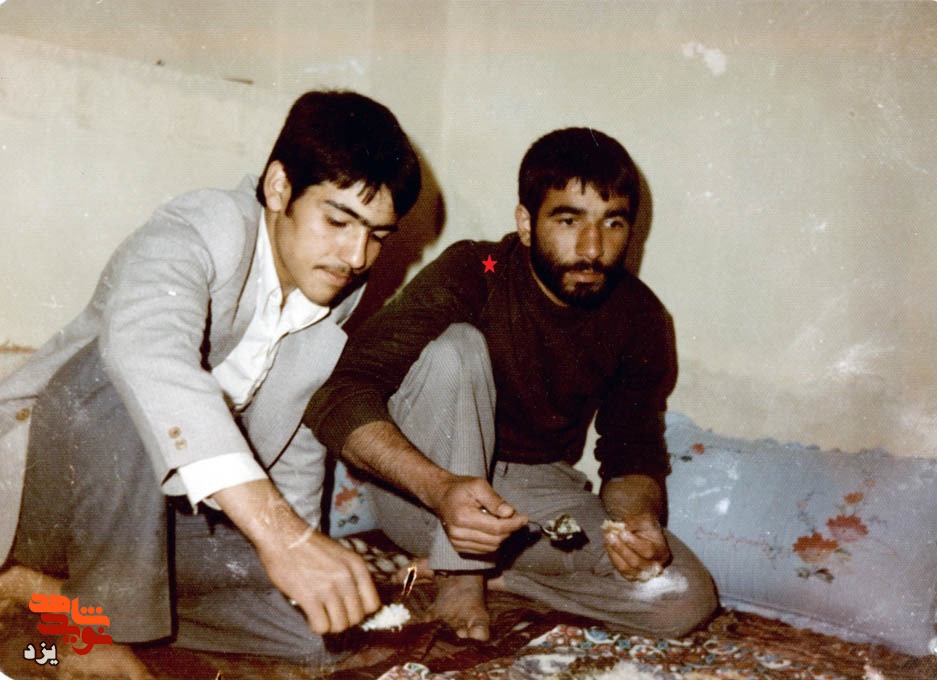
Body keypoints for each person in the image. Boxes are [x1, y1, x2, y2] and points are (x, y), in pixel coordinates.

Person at [0, 90, 421, 675]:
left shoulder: (331, 289)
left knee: (315, 636)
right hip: (46, 501)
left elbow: (295, 444)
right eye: (337, 220)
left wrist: (305, 551)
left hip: (151, 526)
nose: (356, 256)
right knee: (123, 378)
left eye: (378, 235)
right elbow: (148, 355)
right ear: (279, 188)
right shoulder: (202, 226)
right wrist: (281, 537)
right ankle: (88, 628)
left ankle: (49, 595)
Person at [306, 127, 718, 642]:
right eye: (569, 220)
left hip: (532, 499)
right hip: (426, 493)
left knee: (683, 596)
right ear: (526, 223)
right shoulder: (474, 271)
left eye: (613, 223)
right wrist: (440, 488)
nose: (593, 248)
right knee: (458, 348)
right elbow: (338, 395)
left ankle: (497, 577)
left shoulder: (640, 316)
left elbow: (631, 450)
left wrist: (638, 522)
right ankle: (458, 576)